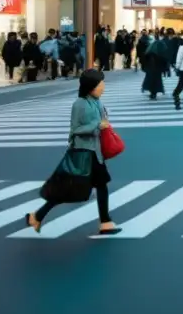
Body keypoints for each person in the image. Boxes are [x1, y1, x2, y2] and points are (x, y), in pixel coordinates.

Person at [23, 69, 121, 236]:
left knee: (102, 186)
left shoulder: (97, 101)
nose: (103, 86)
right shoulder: (80, 104)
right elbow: (75, 130)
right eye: (100, 83)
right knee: (66, 190)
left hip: (95, 153)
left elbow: (101, 120)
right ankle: (36, 216)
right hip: (82, 154)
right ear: (91, 86)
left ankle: (105, 222)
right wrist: (97, 126)